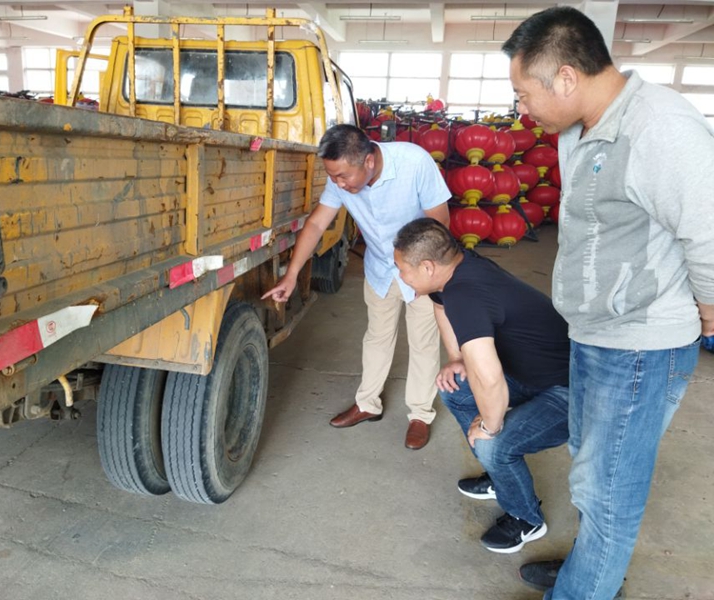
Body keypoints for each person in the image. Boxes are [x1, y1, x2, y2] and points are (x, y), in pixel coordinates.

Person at [501, 6, 714, 598]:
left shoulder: (660, 128)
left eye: (524, 94)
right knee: (592, 471)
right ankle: (592, 571)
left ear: (566, 78)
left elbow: (708, 232)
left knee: (609, 491)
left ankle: (584, 589)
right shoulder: (581, 129)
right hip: (594, 333)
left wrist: (708, 311)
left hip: (640, 346)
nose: (522, 108)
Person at [262, 124, 451, 449]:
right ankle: (367, 404)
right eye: (332, 176)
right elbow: (317, 223)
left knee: (423, 342)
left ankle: (420, 414)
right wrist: (291, 274)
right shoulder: (342, 177)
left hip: (422, 270)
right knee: (377, 337)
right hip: (380, 269)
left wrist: (428, 274)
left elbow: (440, 222)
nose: (338, 184)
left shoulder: (414, 162)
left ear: (369, 162)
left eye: (342, 177)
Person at [393, 218, 570, 553]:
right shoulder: (454, 271)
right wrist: (456, 358)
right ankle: (501, 477)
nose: (400, 276)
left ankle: (526, 519)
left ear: (428, 267)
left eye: (403, 269)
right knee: (455, 385)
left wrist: (490, 426)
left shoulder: (466, 295)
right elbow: (441, 307)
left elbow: (489, 378)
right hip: (529, 374)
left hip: (571, 392)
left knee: (494, 444)